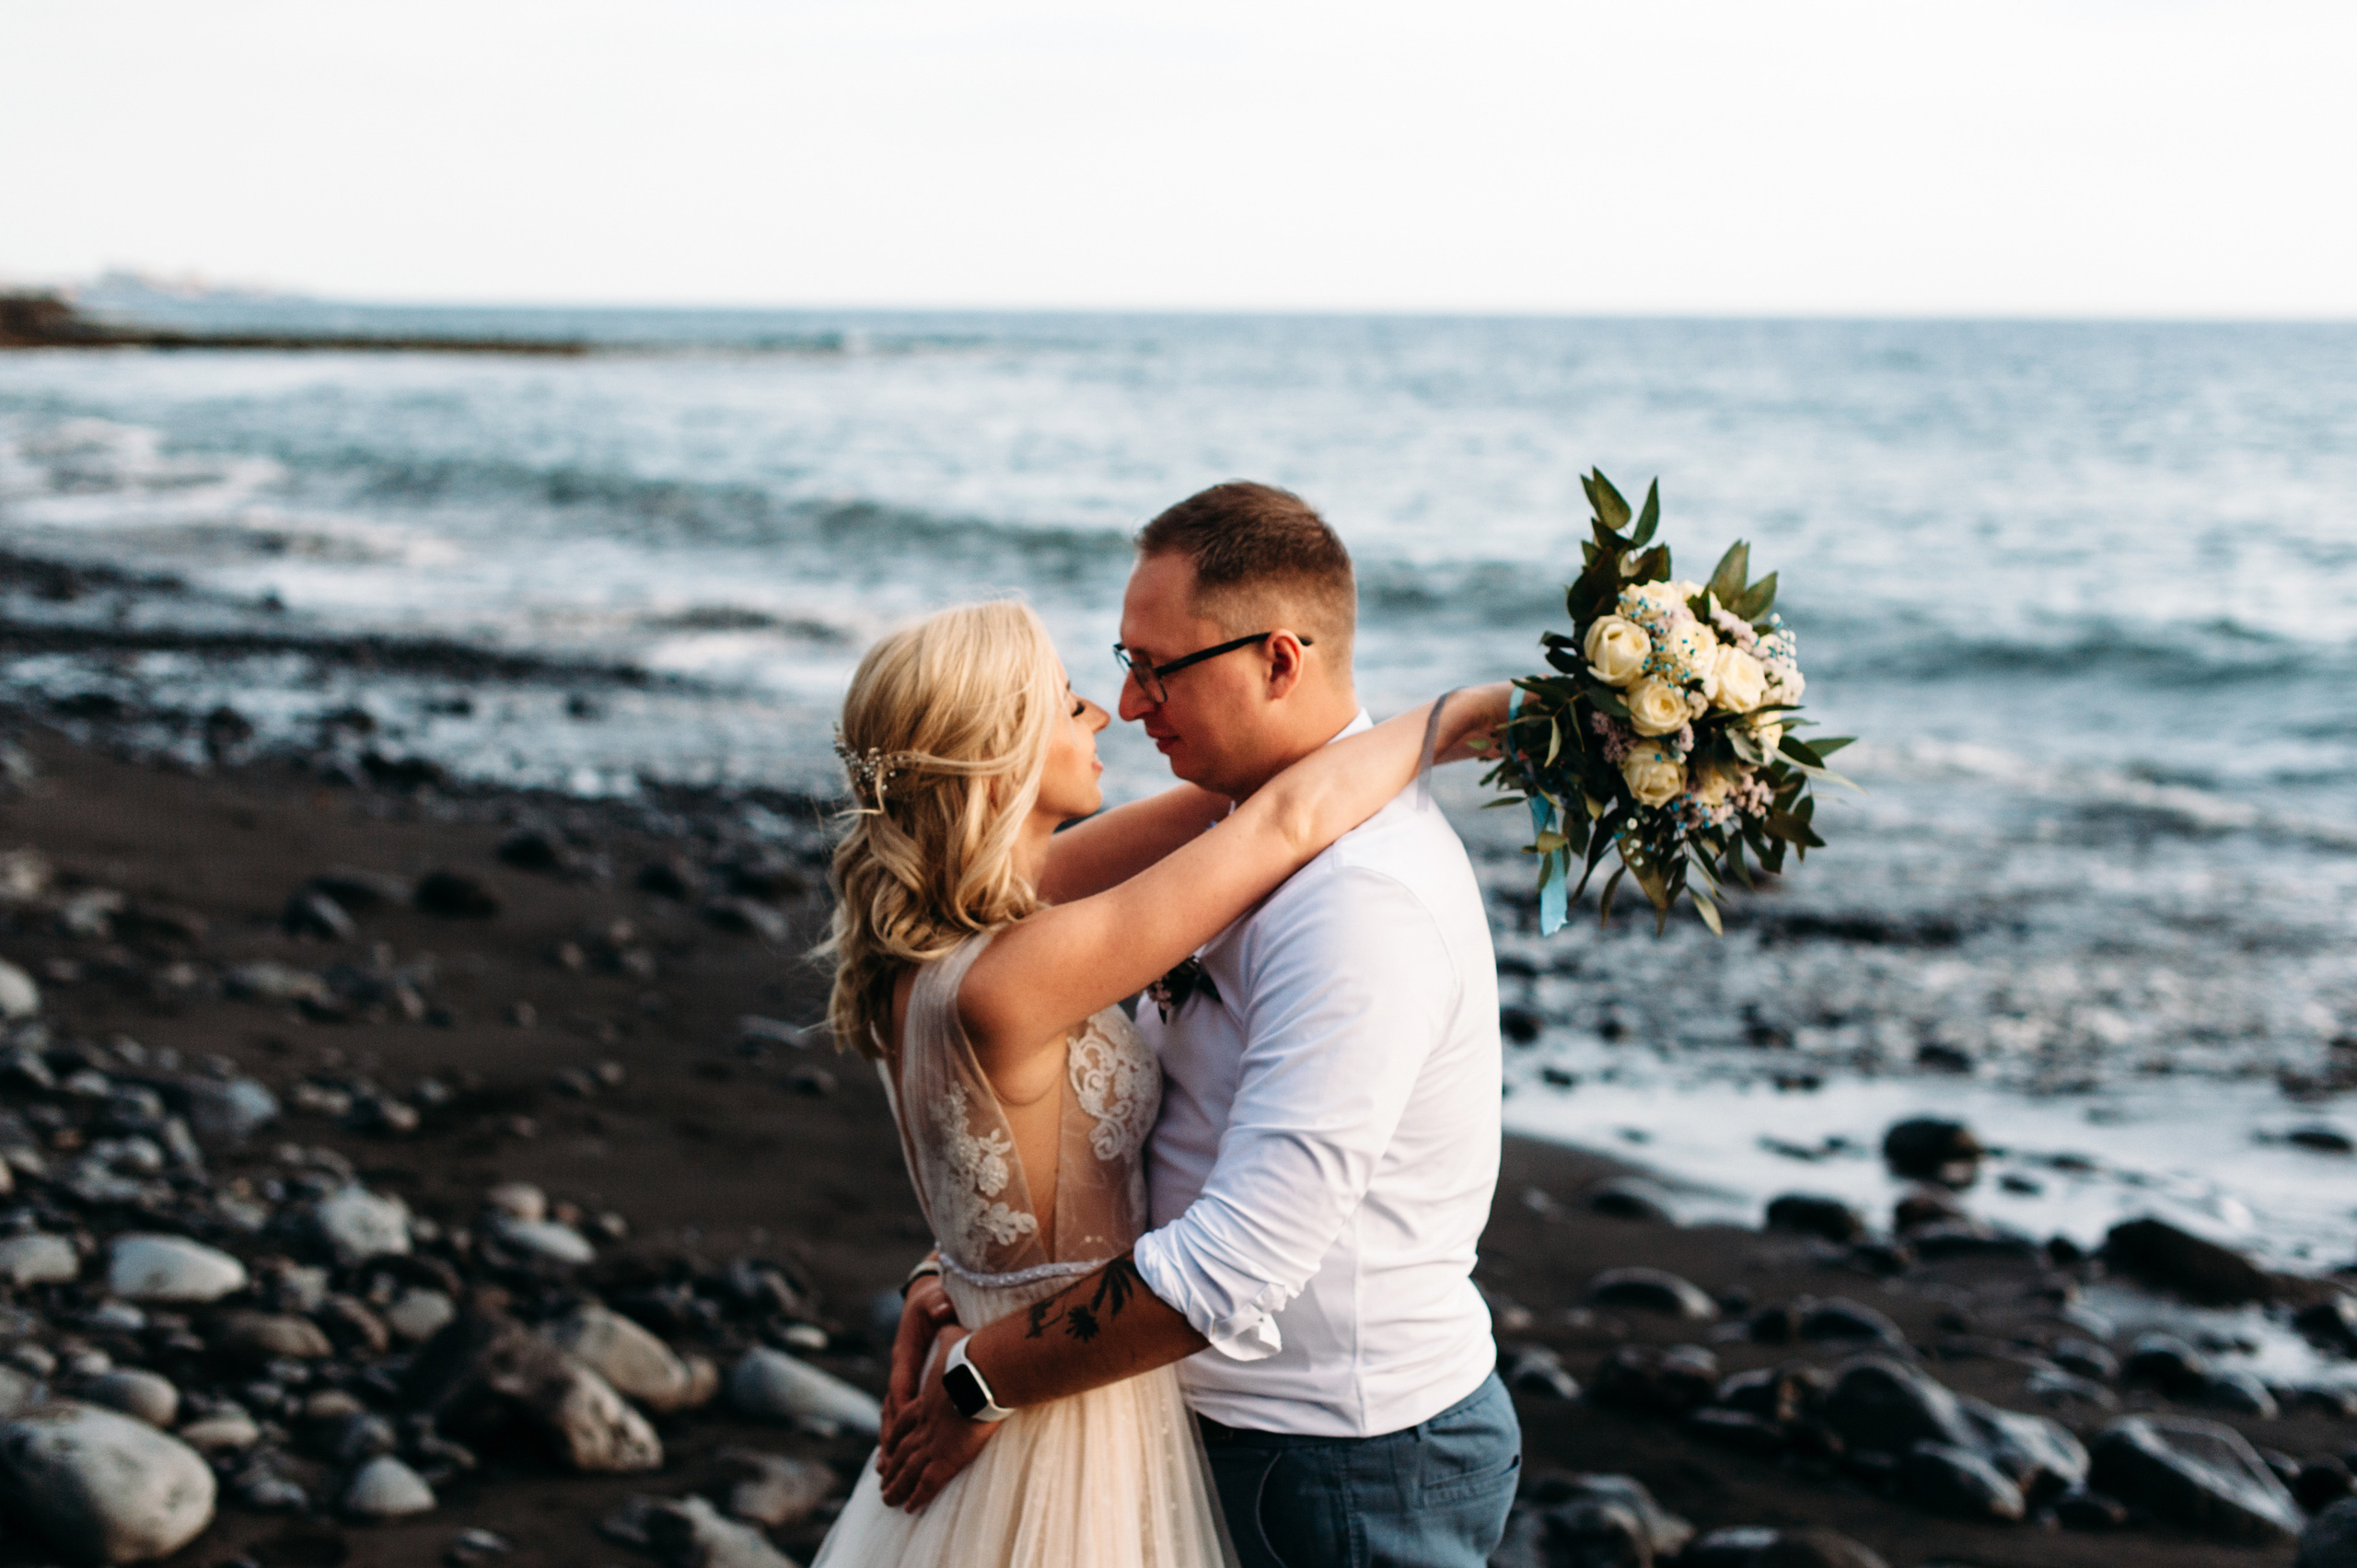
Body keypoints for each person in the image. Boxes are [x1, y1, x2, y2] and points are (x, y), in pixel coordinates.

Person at [877, 483, 1523, 1568]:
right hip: (1185, 1414)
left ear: (1278, 660)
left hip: (1327, 1458)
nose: (1126, 706)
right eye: (1113, 668)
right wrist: (981, 1267)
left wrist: (982, 1367)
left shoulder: (1358, 901)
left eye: (1155, 667)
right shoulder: (1227, 833)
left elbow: (1235, 1263)